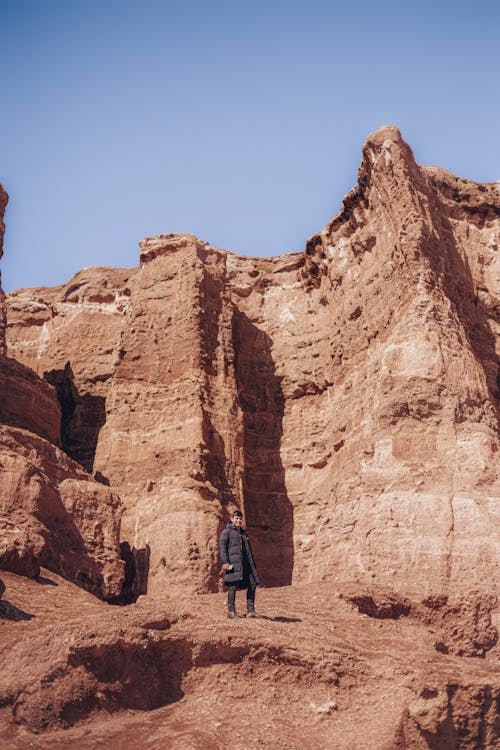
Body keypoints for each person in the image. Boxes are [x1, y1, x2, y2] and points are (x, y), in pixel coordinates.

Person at [219, 508, 260, 619]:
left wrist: (252, 565)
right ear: (232, 519)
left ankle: (251, 611)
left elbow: (248, 551)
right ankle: (231, 612)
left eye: (240, 519)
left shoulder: (243, 534)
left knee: (252, 584)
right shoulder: (226, 532)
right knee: (233, 586)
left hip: (245, 564)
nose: (239, 521)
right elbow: (222, 548)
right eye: (236, 518)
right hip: (233, 564)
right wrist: (226, 562)